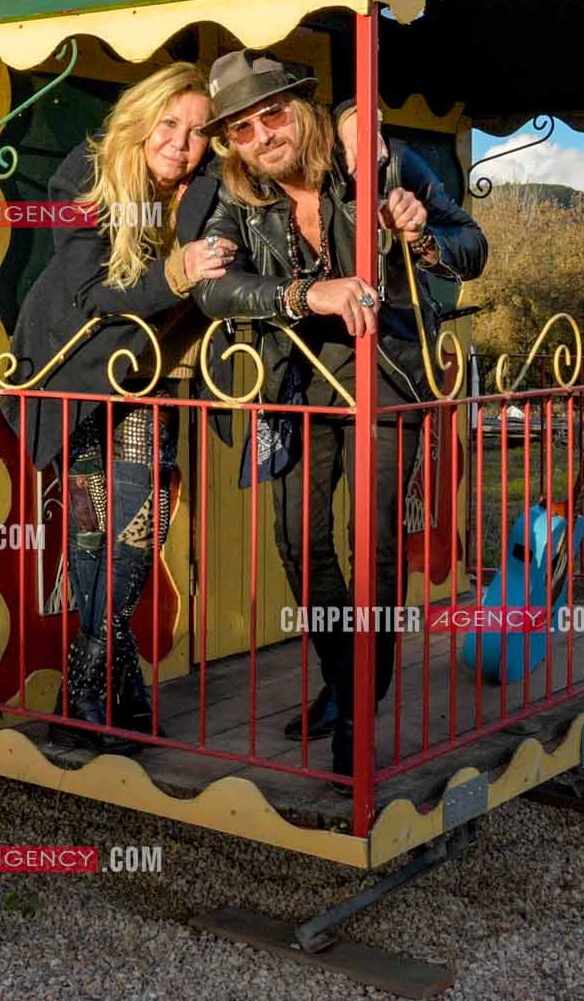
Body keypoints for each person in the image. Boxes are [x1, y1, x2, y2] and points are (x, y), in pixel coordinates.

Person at [191, 51, 486, 773]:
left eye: (273, 113)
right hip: (295, 380)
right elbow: (214, 287)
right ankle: (345, 677)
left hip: (385, 374)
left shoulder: (377, 161)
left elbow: (471, 246)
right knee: (299, 538)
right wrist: (301, 296)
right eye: (242, 128)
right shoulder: (233, 192)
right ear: (230, 143)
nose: (262, 134)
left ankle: (360, 705)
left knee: (376, 545)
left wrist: (419, 235)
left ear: (302, 107)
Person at [0, 61, 234, 753]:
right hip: (72, 367)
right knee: (93, 536)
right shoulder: (84, 177)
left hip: (146, 376)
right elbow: (92, 292)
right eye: (169, 124)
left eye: (197, 132)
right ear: (141, 120)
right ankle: (115, 702)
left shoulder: (209, 187)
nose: (180, 142)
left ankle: (82, 701)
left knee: (137, 528)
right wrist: (176, 271)